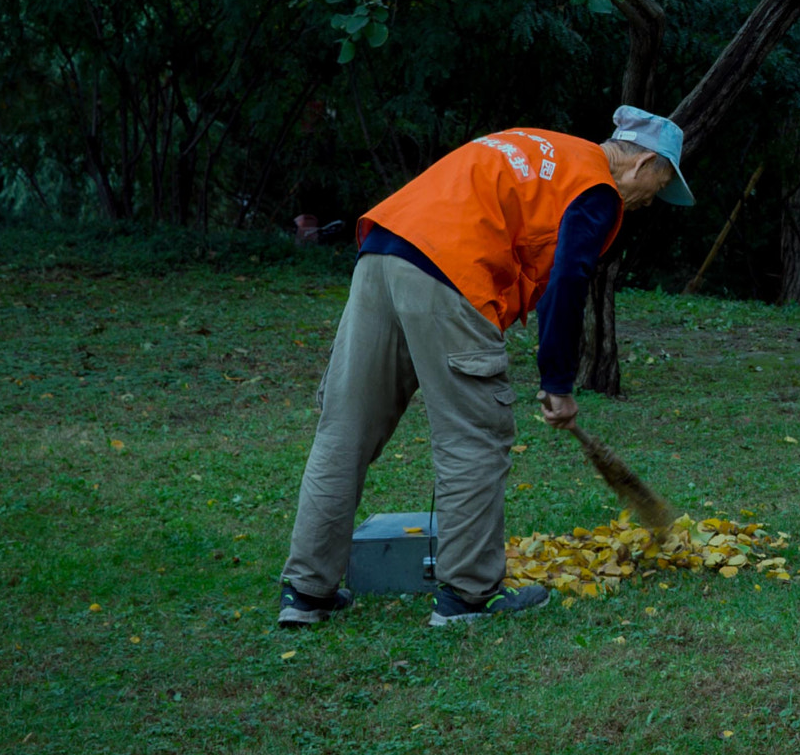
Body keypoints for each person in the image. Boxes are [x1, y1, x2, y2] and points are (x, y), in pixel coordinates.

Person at [277, 106, 694, 627]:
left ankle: (307, 593)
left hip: (383, 251)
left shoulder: (547, 146)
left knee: (345, 429)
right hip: (451, 268)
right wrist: (558, 382)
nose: (648, 202)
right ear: (643, 163)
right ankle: (469, 597)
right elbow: (567, 283)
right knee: (474, 438)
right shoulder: (598, 190)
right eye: (656, 188)